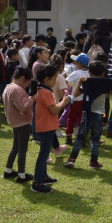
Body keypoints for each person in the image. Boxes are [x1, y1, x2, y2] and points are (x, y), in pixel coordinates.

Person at [30, 64, 73, 193]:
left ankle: (43, 177)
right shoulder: (46, 92)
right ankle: (37, 183)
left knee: (44, 153)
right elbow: (54, 110)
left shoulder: (42, 90)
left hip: (45, 125)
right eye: (54, 79)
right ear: (47, 79)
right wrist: (64, 103)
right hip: (46, 126)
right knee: (43, 155)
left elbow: (52, 107)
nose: (55, 81)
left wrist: (62, 101)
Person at [3, 66, 35, 183]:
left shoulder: (8, 87)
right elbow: (23, 106)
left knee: (16, 147)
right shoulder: (17, 89)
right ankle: (22, 175)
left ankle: (8, 170)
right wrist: (32, 99)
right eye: (28, 81)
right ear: (22, 78)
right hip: (22, 122)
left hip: (14, 121)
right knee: (22, 149)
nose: (28, 84)